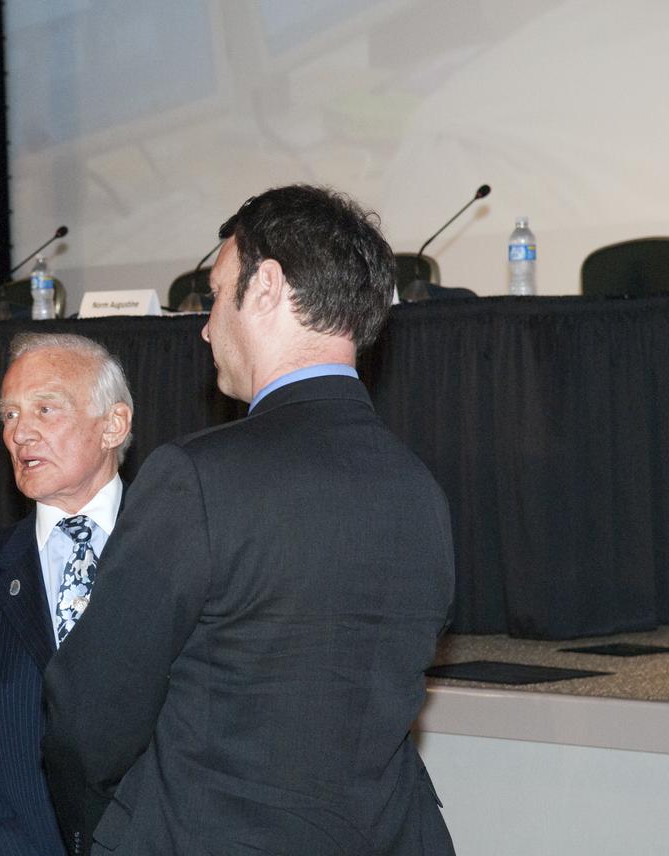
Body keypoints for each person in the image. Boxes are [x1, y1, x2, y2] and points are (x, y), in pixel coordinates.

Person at [42, 185, 456, 855]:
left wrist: (107, 832)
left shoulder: (198, 478)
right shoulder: (420, 490)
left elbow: (89, 715)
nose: (206, 326)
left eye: (216, 293)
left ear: (264, 287)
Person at [0, 332, 134, 856]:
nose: (21, 433)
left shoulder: (184, 553)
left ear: (113, 425)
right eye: (9, 415)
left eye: (45, 409)